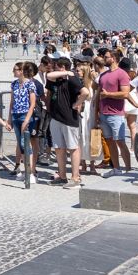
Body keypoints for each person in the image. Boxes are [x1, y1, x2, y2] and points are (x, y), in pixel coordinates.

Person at [44, 57, 89, 188]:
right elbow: (49, 75)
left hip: (69, 118)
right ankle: (62, 176)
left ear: (62, 67)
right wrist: (65, 73)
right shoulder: (56, 79)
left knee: (73, 147)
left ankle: (75, 177)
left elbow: (85, 92)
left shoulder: (72, 79)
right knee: (59, 148)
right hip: (55, 117)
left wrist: (77, 104)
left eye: (56, 66)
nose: (54, 68)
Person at [95, 50, 135, 174]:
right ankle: (116, 169)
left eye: (106, 57)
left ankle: (128, 169)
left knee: (120, 142)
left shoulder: (122, 74)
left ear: (113, 58)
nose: (103, 59)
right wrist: (96, 110)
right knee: (109, 141)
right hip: (103, 113)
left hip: (116, 114)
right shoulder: (103, 75)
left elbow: (125, 93)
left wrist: (108, 94)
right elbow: (98, 95)